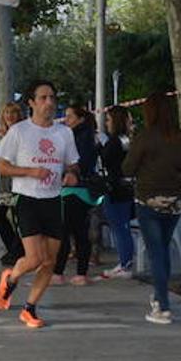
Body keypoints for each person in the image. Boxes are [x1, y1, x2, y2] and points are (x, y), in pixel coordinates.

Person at [0, 80, 80, 328]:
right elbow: (1, 165)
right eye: (43, 98)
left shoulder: (64, 133)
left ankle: (29, 309)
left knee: (50, 262)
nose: (49, 102)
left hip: (53, 201)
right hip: (27, 201)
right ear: (31, 102)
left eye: (52, 97)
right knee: (34, 258)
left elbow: (73, 164)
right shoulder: (19, 131)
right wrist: (30, 172)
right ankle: (10, 279)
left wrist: (72, 175)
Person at [126, 91, 181, 325]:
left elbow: (128, 167)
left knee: (156, 253)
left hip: (148, 200)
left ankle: (163, 306)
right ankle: (158, 296)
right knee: (162, 249)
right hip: (174, 202)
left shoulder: (145, 137)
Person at [53, 101, 102, 285]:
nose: (66, 120)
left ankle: (61, 272)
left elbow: (78, 163)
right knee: (78, 231)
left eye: (70, 116)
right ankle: (78, 272)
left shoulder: (80, 138)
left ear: (80, 119)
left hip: (75, 189)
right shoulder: (85, 136)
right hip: (80, 190)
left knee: (67, 231)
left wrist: (69, 171)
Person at [0, 101, 25, 267]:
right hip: (5, 182)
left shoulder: (20, 133)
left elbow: (16, 158)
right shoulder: (7, 134)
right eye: (7, 113)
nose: (9, 116)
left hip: (16, 182)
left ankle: (17, 251)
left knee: (16, 218)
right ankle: (14, 249)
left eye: (13, 113)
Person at [99, 106, 137, 279]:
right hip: (124, 188)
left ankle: (125, 263)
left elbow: (108, 160)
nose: (106, 123)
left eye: (108, 120)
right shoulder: (125, 140)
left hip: (115, 189)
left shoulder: (115, 141)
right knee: (122, 227)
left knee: (120, 227)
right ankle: (125, 262)